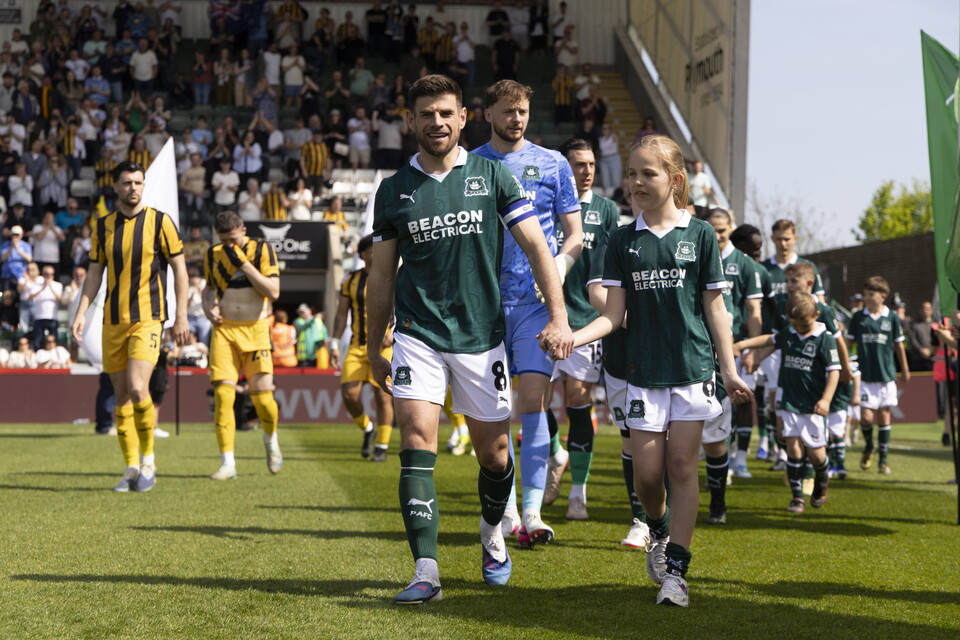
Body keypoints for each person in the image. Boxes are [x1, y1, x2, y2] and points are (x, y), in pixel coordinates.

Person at [366, 74, 572, 604]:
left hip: (482, 335)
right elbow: (382, 276)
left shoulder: (492, 175)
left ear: (462, 118)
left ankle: (491, 532)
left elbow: (538, 247)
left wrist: (558, 315)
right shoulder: (392, 190)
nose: (436, 122)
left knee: (496, 455)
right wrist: (373, 346)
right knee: (416, 439)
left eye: (445, 113)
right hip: (417, 333)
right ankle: (426, 570)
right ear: (409, 121)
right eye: (426, 114)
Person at [561, 135, 751, 607]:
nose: (637, 182)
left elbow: (716, 309)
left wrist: (729, 371)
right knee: (647, 476)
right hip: (641, 372)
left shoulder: (700, 235)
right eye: (632, 173)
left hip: (692, 368)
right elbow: (612, 315)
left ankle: (677, 573)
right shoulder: (620, 239)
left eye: (648, 173)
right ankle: (660, 532)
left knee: (682, 464)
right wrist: (572, 337)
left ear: (676, 180)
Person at [472, 79, 583, 548]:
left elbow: (574, 235)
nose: (516, 118)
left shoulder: (554, 163)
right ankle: (508, 510)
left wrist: (558, 267)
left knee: (533, 403)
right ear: (487, 114)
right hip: (485, 308)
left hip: (538, 306)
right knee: (496, 411)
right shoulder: (470, 165)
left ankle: (533, 513)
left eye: (522, 111)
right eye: (507, 111)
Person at [71, 161, 190, 493]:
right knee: (121, 396)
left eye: (138, 182)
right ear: (116, 187)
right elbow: (95, 273)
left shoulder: (161, 222)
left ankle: (149, 461)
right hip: (112, 320)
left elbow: (180, 270)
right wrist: (81, 312)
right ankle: (131, 467)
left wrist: (181, 315)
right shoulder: (103, 226)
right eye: (127, 183)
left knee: (138, 388)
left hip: (148, 318)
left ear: (143, 185)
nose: (133, 188)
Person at [543, 138, 619, 521]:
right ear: (564, 167)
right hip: (542, 317)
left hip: (585, 321)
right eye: (578, 164)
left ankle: (578, 492)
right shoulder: (546, 203)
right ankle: (556, 453)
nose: (586, 170)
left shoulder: (606, 210)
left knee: (577, 400)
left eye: (590, 164)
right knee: (536, 402)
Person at [202, 210, 282, 480]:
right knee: (224, 396)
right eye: (224, 241)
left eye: (233, 239)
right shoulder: (213, 254)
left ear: (243, 231)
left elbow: (273, 291)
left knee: (264, 401)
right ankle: (228, 462)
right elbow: (208, 289)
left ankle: (271, 441)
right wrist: (207, 307)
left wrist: (244, 264)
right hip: (224, 330)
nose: (229, 246)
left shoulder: (261, 249)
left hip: (256, 330)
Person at [707, 211, 763, 482]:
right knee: (712, 405)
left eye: (722, 230)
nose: (718, 235)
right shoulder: (698, 254)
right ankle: (718, 459)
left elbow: (753, 311)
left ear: (731, 228)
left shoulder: (745, 264)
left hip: (736, 348)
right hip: (703, 346)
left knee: (739, 402)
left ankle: (737, 459)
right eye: (713, 230)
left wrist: (753, 350)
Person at [331, 235, 395, 461]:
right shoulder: (351, 279)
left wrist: (394, 331)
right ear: (362, 254)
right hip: (357, 346)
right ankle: (368, 428)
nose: (376, 253)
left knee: (383, 396)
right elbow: (341, 315)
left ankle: (382, 446)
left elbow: (405, 305)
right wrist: (334, 343)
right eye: (371, 249)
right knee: (349, 394)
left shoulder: (393, 276)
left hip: (384, 347)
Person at [846, 276, 911, 475]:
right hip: (864, 376)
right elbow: (848, 343)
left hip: (886, 375)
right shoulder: (858, 317)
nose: (866, 297)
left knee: (884, 416)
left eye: (870, 294)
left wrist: (905, 369)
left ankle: (883, 461)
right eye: (865, 294)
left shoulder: (891, 317)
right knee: (866, 417)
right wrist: (845, 364)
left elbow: (898, 345)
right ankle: (869, 446)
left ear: (883, 296)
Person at [27, 264, 63, 350]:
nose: (48, 276)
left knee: (53, 339)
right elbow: (30, 297)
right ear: (43, 274)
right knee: (38, 340)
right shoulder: (36, 285)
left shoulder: (58, 285)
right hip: (39, 317)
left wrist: (51, 288)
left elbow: (60, 299)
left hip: (52, 317)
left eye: (50, 274)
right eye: (46, 274)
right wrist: (42, 288)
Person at [1, 223, 32, 291]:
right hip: (7, 275)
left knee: (19, 295)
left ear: (21, 235)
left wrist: (18, 248)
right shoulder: (5, 245)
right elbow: (2, 258)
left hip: (20, 275)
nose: (15, 236)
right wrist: (11, 247)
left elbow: (29, 259)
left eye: (17, 235)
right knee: (6, 295)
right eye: (13, 234)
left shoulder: (26, 245)